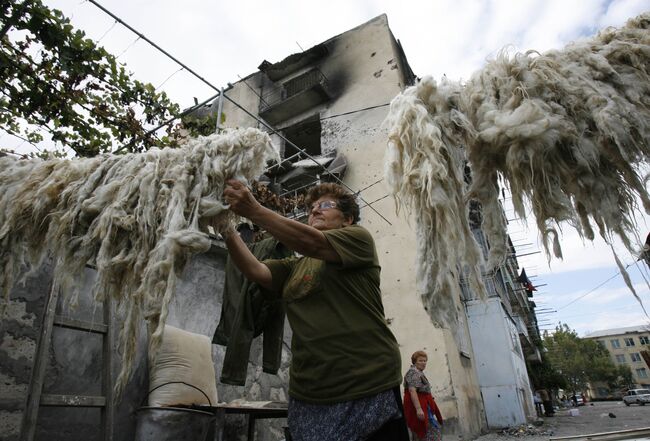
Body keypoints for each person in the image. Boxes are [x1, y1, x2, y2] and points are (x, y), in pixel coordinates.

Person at [222, 179, 408, 441]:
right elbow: (255, 270)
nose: (315, 211)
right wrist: (224, 227)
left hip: (366, 383)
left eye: (326, 205)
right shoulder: (296, 265)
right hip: (310, 390)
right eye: (311, 209)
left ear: (347, 219)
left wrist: (253, 210)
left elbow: (313, 243)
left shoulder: (359, 239)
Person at [403, 351, 443, 441]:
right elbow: (412, 391)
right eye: (420, 360)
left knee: (428, 433)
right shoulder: (413, 372)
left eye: (425, 361)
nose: (424, 363)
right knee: (428, 433)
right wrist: (418, 409)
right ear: (414, 361)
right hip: (417, 408)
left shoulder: (419, 372)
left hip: (425, 407)